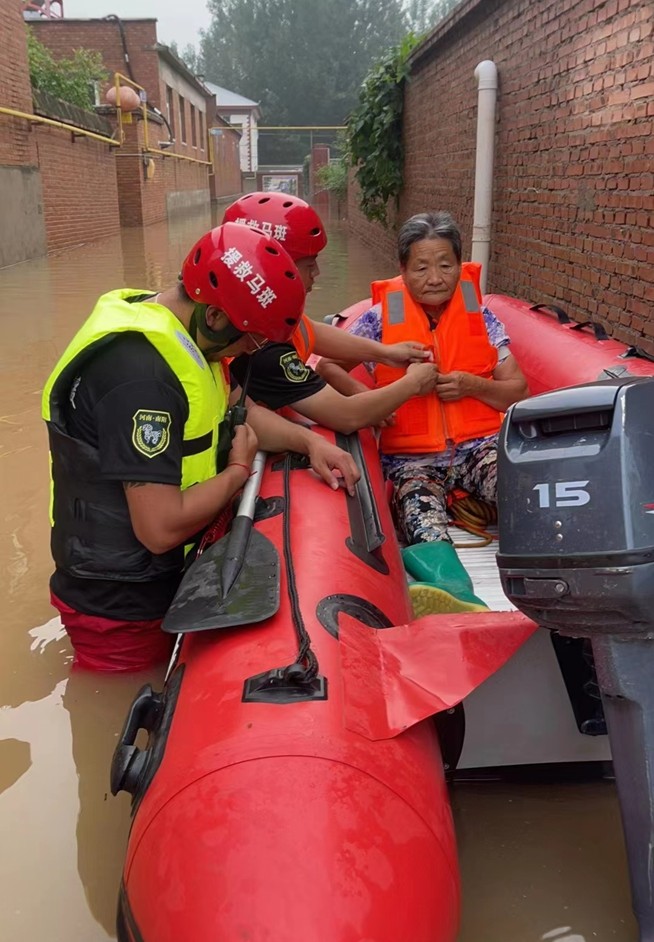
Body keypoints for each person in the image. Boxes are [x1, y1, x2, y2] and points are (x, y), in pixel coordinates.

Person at [42, 222, 359, 673]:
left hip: (157, 572)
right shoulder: (142, 379)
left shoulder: (179, 329)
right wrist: (237, 472)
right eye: (250, 338)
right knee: (119, 699)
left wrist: (307, 441)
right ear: (214, 317)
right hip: (119, 602)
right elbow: (159, 528)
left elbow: (238, 409)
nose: (249, 350)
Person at [318, 211, 529, 615]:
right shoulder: (380, 319)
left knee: (524, 493)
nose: (435, 278)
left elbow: (517, 392)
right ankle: (457, 596)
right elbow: (328, 365)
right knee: (422, 522)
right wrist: (371, 400)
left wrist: (473, 385)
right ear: (402, 269)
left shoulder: (483, 318)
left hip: (479, 449)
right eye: (421, 268)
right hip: (411, 462)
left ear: (460, 266)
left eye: (446, 265)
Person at [224, 193, 440, 432]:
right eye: (309, 264)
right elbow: (347, 416)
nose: (316, 272)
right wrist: (413, 383)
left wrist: (385, 353)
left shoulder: (253, 317)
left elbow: (309, 331)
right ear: (271, 267)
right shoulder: (263, 350)